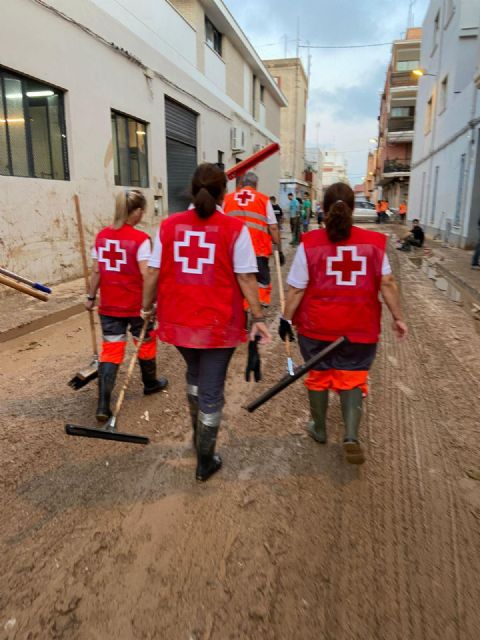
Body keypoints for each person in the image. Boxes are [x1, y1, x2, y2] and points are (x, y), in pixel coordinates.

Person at [142, 163, 271, 482]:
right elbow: (245, 276)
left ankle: (198, 439)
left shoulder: (169, 226)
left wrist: (146, 308)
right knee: (211, 388)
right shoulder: (234, 229)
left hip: (179, 321)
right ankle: (204, 458)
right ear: (222, 194)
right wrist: (258, 316)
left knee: (195, 375)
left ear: (192, 188)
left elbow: (154, 272)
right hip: (218, 323)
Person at [279, 182, 407, 465]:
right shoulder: (374, 244)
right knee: (352, 376)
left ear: (323, 209)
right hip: (359, 329)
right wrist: (398, 317)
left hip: (316, 328)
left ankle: (320, 428)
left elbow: (297, 289)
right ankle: (350, 435)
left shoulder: (310, 243)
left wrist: (285, 318)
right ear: (352, 209)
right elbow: (387, 282)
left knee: (318, 376)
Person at [85, 190, 168, 422]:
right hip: (136, 306)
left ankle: (103, 404)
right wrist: (154, 303)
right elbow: (146, 274)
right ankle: (150, 383)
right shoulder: (140, 240)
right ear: (138, 211)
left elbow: (96, 271)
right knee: (145, 341)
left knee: (111, 351)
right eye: (143, 210)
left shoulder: (101, 237)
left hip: (110, 306)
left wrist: (90, 297)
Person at [223, 171, 283, 308]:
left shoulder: (227, 199)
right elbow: (273, 227)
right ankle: (259, 305)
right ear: (256, 184)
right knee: (262, 279)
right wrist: (279, 249)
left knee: (237, 279)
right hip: (258, 249)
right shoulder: (263, 199)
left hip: (233, 250)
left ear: (241, 184)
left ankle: (242, 306)